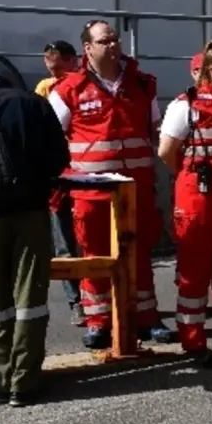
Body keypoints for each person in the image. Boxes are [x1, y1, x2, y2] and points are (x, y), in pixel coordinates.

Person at [48, 21, 174, 349]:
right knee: (95, 255)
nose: (113, 45)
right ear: (87, 48)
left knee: (140, 252)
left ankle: (147, 317)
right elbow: (50, 139)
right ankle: (98, 321)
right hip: (92, 193)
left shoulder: (142, 84)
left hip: (135, 190)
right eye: (104, 41)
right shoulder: (68, 89)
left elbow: (155, 131)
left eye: (115, 39)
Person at [0, 58, 70, 406]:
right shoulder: (31, 103)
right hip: (31, 214)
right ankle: (25, 381)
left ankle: (1, 374)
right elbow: (59, 159)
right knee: (31, 298)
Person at [158, 42, 212, 362]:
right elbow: (167, 152)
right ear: (211, 70)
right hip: (198, 194)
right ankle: (194, 342)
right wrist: (190, 176)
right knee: (195, 271)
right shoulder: (186, 105)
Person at [35, 40, 82, 325]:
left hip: (85, 171)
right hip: (59, 174)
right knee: (64, 242)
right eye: (50, 69)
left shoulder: (82, 86)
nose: (54, 75)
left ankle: (103, 299)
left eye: (59, 69)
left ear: (73, 61)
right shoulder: (45, 88)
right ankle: (76, 301)